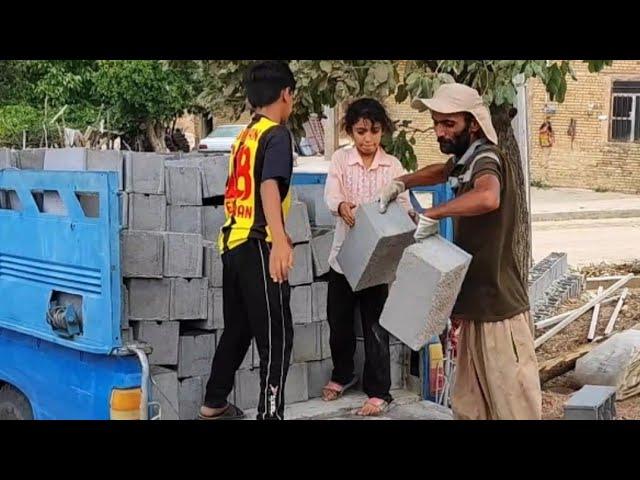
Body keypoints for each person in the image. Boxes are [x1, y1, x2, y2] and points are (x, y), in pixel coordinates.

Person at [378, 83, 542, 420]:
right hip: (474, 308)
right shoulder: (464, 161)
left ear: (474, 124)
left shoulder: (487, 159)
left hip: (499, 311)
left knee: (512, 409)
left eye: (449, 124)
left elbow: (488, 197)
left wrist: (433, 213)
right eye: (437, 122)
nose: (440, 131)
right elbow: (441, 170)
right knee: (471, 409)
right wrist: (403, 182)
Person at [199, 61, 297, 420]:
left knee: (238, 331)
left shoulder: (244, 136)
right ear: (286, 94)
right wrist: (281, 243)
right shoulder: (276, 134)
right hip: (258, 244)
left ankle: (214, 403)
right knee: (277, 340)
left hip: (232, 244)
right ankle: (270, 414)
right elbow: (269, 185)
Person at [322, 98, 412, 416]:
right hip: (343, 259)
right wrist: (342, 206)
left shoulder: (393, 167)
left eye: (374, 131)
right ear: (350, 131)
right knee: (339, 323)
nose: (367, 139)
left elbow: (404, 204)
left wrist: (411, 217)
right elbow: (332, 194)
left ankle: (379, 391)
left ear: (382, 131)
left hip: (376, 263)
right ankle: (343, 374)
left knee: (375, 326)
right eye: (360, 131)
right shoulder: (340, 160)